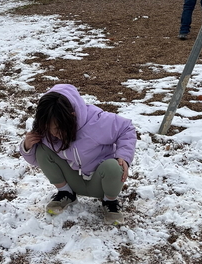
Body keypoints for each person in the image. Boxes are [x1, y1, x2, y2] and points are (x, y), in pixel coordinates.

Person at [19, 84, 136, 226]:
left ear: (71, 117)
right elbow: (39, 159)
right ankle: (66, 193)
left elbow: (126, 128)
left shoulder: (97, 121)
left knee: (114, 166)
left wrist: (123, 155)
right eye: (49, 129)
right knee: (41, 149)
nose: (53, 134)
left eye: (57, 129)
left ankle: (109, 202)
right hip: (74, 179)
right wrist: (27, 146)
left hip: (101, 182)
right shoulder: (47, 128)